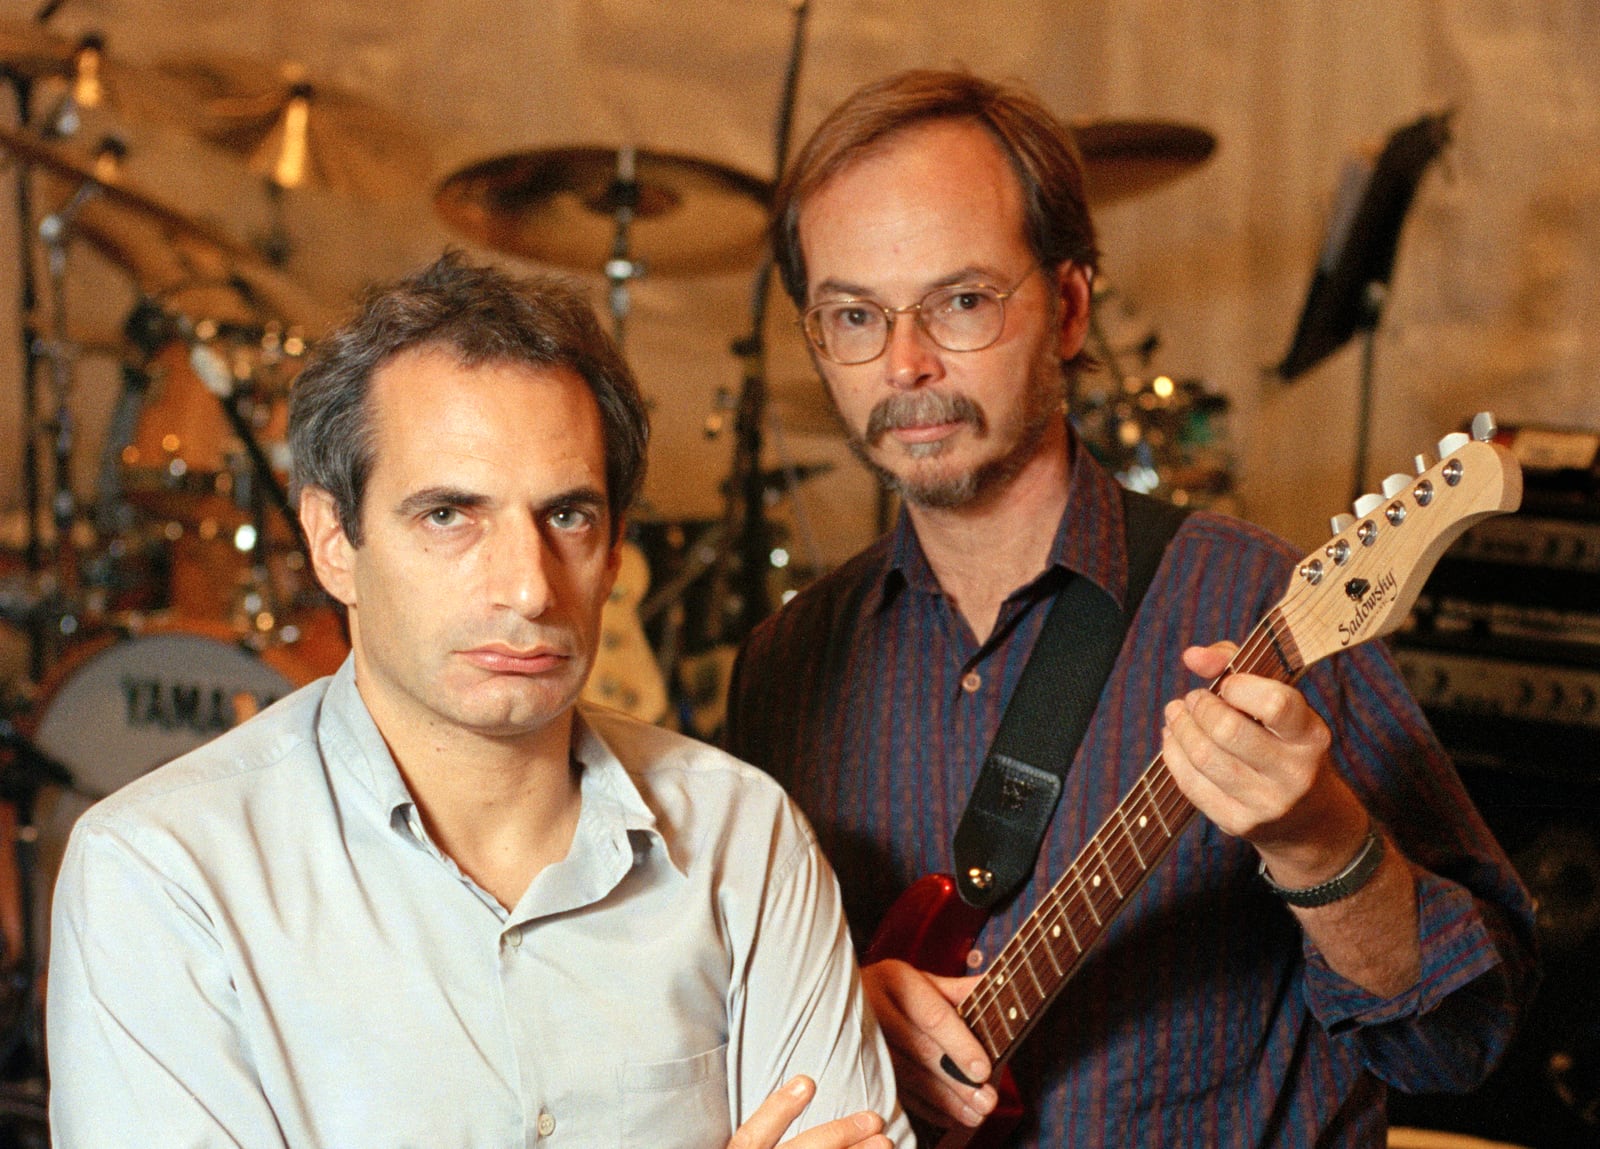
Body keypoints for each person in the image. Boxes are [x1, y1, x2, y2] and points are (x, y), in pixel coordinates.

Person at [726, 70, 1538, 1147]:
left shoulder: (1264, 606)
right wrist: (838, 1014)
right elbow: (730, 1029)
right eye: (855, 316)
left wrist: (1319, 846)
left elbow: (1458, 1041)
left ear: (1067, 308)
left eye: (961, 301)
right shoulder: (787, 663)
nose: (906, 362)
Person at [47, 252, 910, 1149]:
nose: (529, 589)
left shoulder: (745, 836)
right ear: (332, 540)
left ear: (616, 551)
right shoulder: (160, 873)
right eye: (449, 516)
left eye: (567, 515)